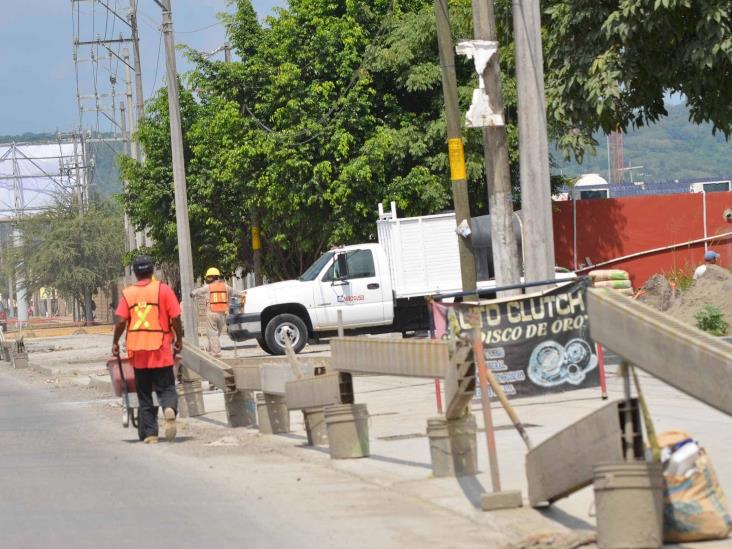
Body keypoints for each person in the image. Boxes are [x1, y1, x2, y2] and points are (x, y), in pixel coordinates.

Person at [112, 255, 184, 444]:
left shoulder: (128, 294)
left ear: (135, 273)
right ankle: (169, 408)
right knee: (166, 387)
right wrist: (179, 338)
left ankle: (151, 434)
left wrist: (115, 342)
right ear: (152, 271)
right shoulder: (163, 290)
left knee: (144, 393)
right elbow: (175, 317)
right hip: (160, 348)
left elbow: (120, 321)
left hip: (138, 351)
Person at [190, 267, 243, 358]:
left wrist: (192, 293)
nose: (206, 278)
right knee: (215, 334)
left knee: (212, 334)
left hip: (211, 313)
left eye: (208, 277)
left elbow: (198, 291)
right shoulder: (225, 286)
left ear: (213, 277)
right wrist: (243, 295)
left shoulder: (208, 287)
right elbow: (236, 293)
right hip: (222, 315)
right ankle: (211, 351)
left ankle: (216, 353)